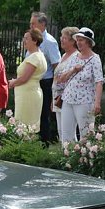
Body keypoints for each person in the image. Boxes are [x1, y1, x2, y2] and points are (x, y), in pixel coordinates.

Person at [58, 28, 103, 143]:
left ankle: (86, 154)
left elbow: (99, 81)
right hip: (68, 99)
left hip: (85, 101)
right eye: (77, 40)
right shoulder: (74, 57)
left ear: (88, 42)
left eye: (81, 40)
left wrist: (97, 103)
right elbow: (62, 78)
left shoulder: (95, 59)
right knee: (66, 133)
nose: (78, 42)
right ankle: (67, 153)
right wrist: (73, 69)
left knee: (86, 134)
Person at [31, 12, 62, 143]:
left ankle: (44, 143)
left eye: (33, 23)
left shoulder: (49, 41)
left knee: (43, 114)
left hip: (45, 82)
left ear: (43, 24)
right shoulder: (32, 39)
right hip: (33, 82)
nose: (31, 26)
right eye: (31, 23)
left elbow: (57, 66)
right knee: (34, 112)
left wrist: (56, 87)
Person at [8, 28, 47, 128]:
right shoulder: (37, 55)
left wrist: (13, 82)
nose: (24, 41)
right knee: (26, 125)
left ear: (35, 40)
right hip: (29, 92)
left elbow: (24, 78)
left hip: (28, 95)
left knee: (24, 125)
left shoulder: (35, 57)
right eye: (24, 38)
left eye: (27, 38)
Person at [52, 26, 81, 142]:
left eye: (64, 38)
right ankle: (64, 151)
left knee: (68, 131)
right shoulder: (64, 55)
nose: (61, 40)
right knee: (61, 130)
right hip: (57, 97)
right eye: (61, 37)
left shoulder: (76, 56)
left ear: (73, 41)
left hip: (67, 98)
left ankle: (72, 151)